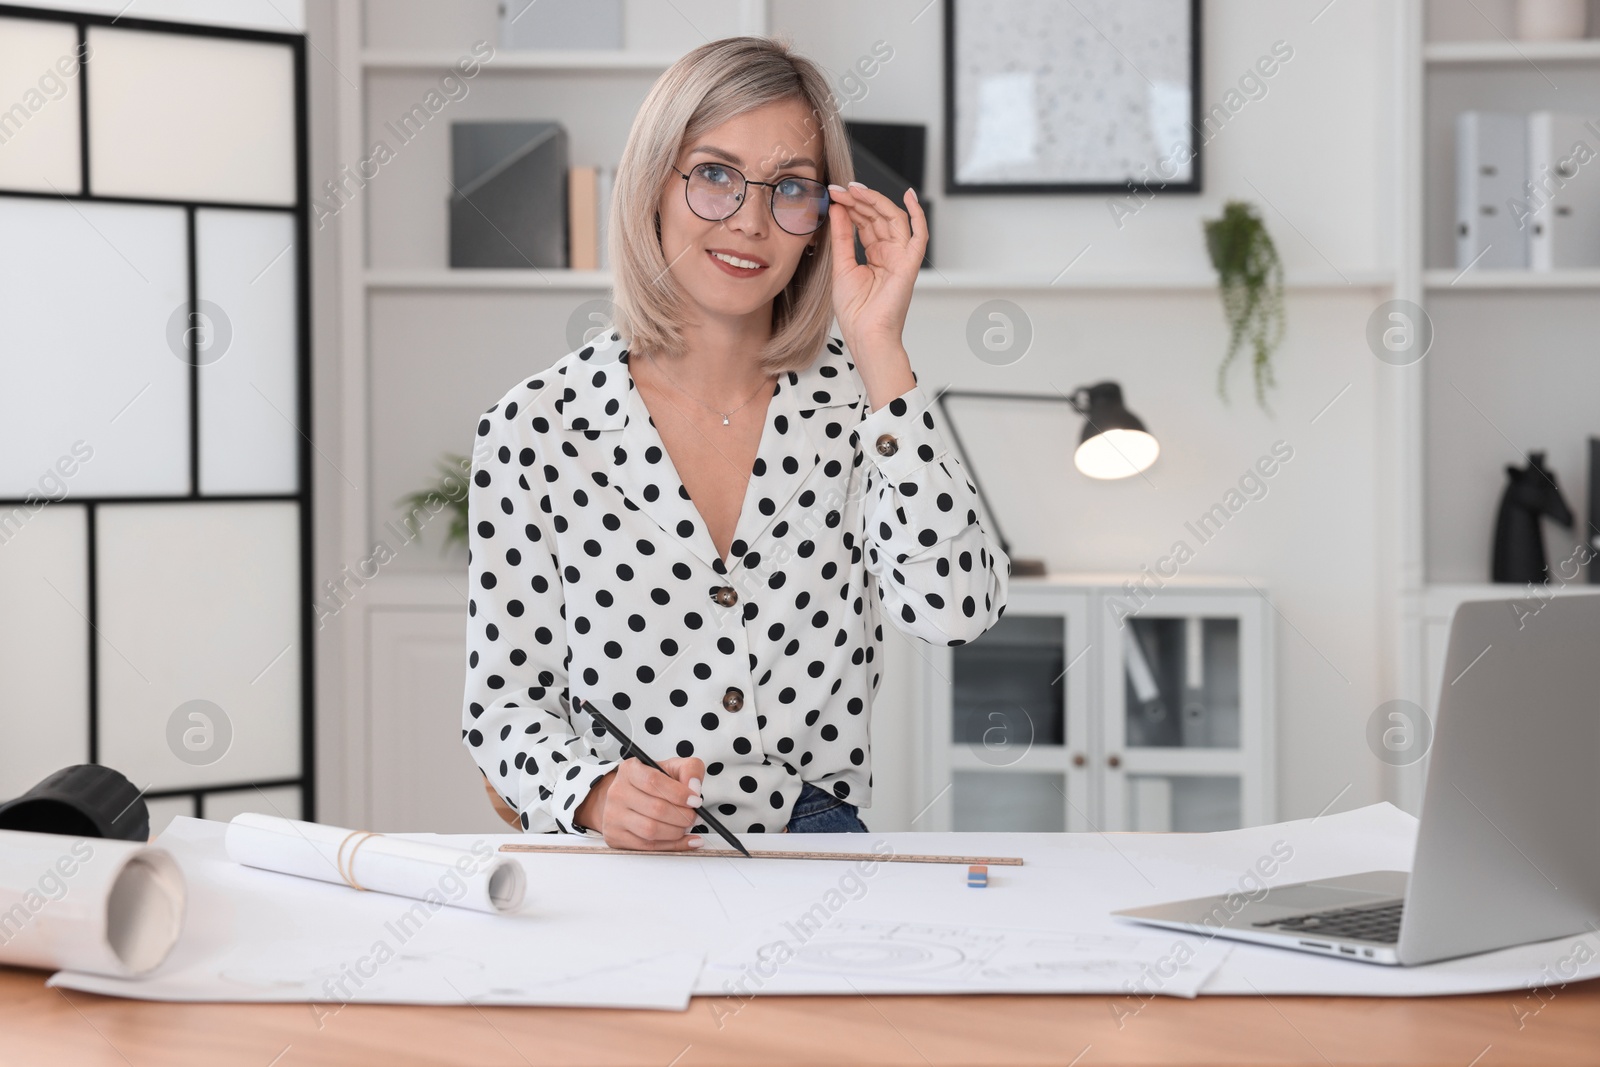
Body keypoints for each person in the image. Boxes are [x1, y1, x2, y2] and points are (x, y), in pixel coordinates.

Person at [462, 35, 1009, 848]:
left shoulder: (866, 409)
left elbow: (956, 609)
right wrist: (596, 793)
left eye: (790, 188)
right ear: (653, 184)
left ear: (820, 222)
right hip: (616, 855)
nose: (750, 222)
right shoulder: (534, 426)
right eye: (715, 174)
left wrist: (880, 347)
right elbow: (504, 708)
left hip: (812, 841)